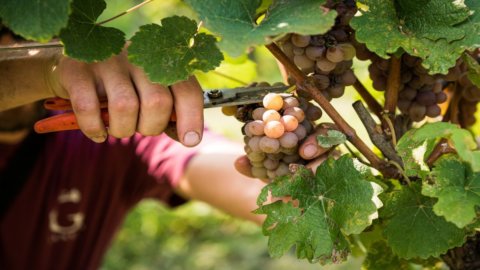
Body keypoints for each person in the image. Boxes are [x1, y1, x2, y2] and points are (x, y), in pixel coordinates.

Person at [0, 29, 329, 269]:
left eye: (27, 30)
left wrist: (290, 187)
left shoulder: (114, 132)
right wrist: (44, 69)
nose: (11, 45)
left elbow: (214, 168)